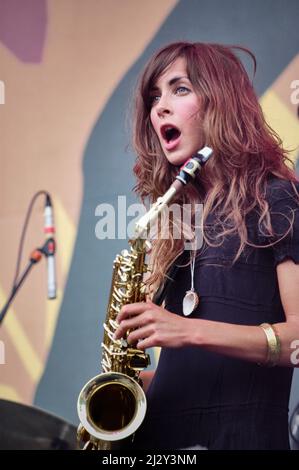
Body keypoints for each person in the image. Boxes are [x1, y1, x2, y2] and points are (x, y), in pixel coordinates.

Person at [114, 42, 299, 450]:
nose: (159, 107)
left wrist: (187, 331)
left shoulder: (278, 199)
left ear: (222, 101)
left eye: (179, 89)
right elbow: (189, 369)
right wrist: (129, 386)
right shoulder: (176, 222)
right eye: (154, 96)